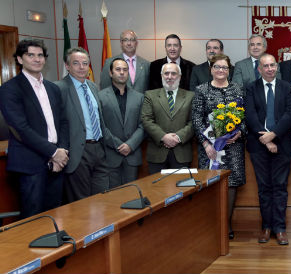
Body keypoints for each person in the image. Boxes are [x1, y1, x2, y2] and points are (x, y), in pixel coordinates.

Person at [0, 39, 68, 217]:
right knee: (33, 219)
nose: (37, 59)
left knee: (56, 215)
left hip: (57, 163)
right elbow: (21, 129)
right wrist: (53, 152)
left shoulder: (53, 88)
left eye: (40, 55)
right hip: (30, 164)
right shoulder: (10, 89)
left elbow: (63, 122)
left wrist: (62, 152)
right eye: (31, 55)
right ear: (20, 59)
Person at [192, 54, 246, 241]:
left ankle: (227, 223)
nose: (221, 70)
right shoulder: (201, 90)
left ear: (229, 70)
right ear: (211, 69)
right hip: (210, 149)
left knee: (231, 184)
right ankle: (213, 224)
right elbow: (197, 119)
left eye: (224, 67)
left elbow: (244, 116)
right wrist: (206, 144)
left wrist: (240, 132)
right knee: (212, 184)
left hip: (233, 147)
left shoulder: (238, 89)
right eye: (217, 67)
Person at [244, 53, 291, 245]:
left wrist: (273, 135)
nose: (270, 69)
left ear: (277, 67)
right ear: (259, 69)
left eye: (272, 65)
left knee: (280, 188)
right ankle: (266, 227)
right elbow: (250, 115)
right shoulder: (251, 88)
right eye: (265, 66)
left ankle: (280, 228)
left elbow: (290, 115)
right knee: (264, 188)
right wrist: (265, 140)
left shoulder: (286, 87)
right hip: (258, 146)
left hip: (282, 144)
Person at [55, 47, 110, 202]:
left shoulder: (92, 86)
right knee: (82, 204)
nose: (81, 67)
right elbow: (56, 123)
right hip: (77, 152)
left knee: (103, 199)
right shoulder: (59, 88)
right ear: (67, 66)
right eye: (76, 63)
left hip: (99, 149)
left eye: (85, 63)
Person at [98, 58, 145, 187]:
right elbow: (101, 126)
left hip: (132, 155)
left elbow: (143, 125)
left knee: (132, 195)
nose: (122, 72)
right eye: (118, 69)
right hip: (111, 156)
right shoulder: (100, 96)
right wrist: (118, 145)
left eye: (125, 69)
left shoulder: (139, 97)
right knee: (113, 197)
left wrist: (130, 145)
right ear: (110, 73)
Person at [141, 62, 195, 174]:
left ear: (179, 76)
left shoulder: (191, 96)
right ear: (161, 76)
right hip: (157, 153)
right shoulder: (150, 95)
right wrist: (163, 137)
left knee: (182, 190)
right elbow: (146, 119)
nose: (169, 77)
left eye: (173, 73)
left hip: (182, 153)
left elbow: (193, 121)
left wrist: (178, 137)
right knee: (156, 190)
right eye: (166, 73)